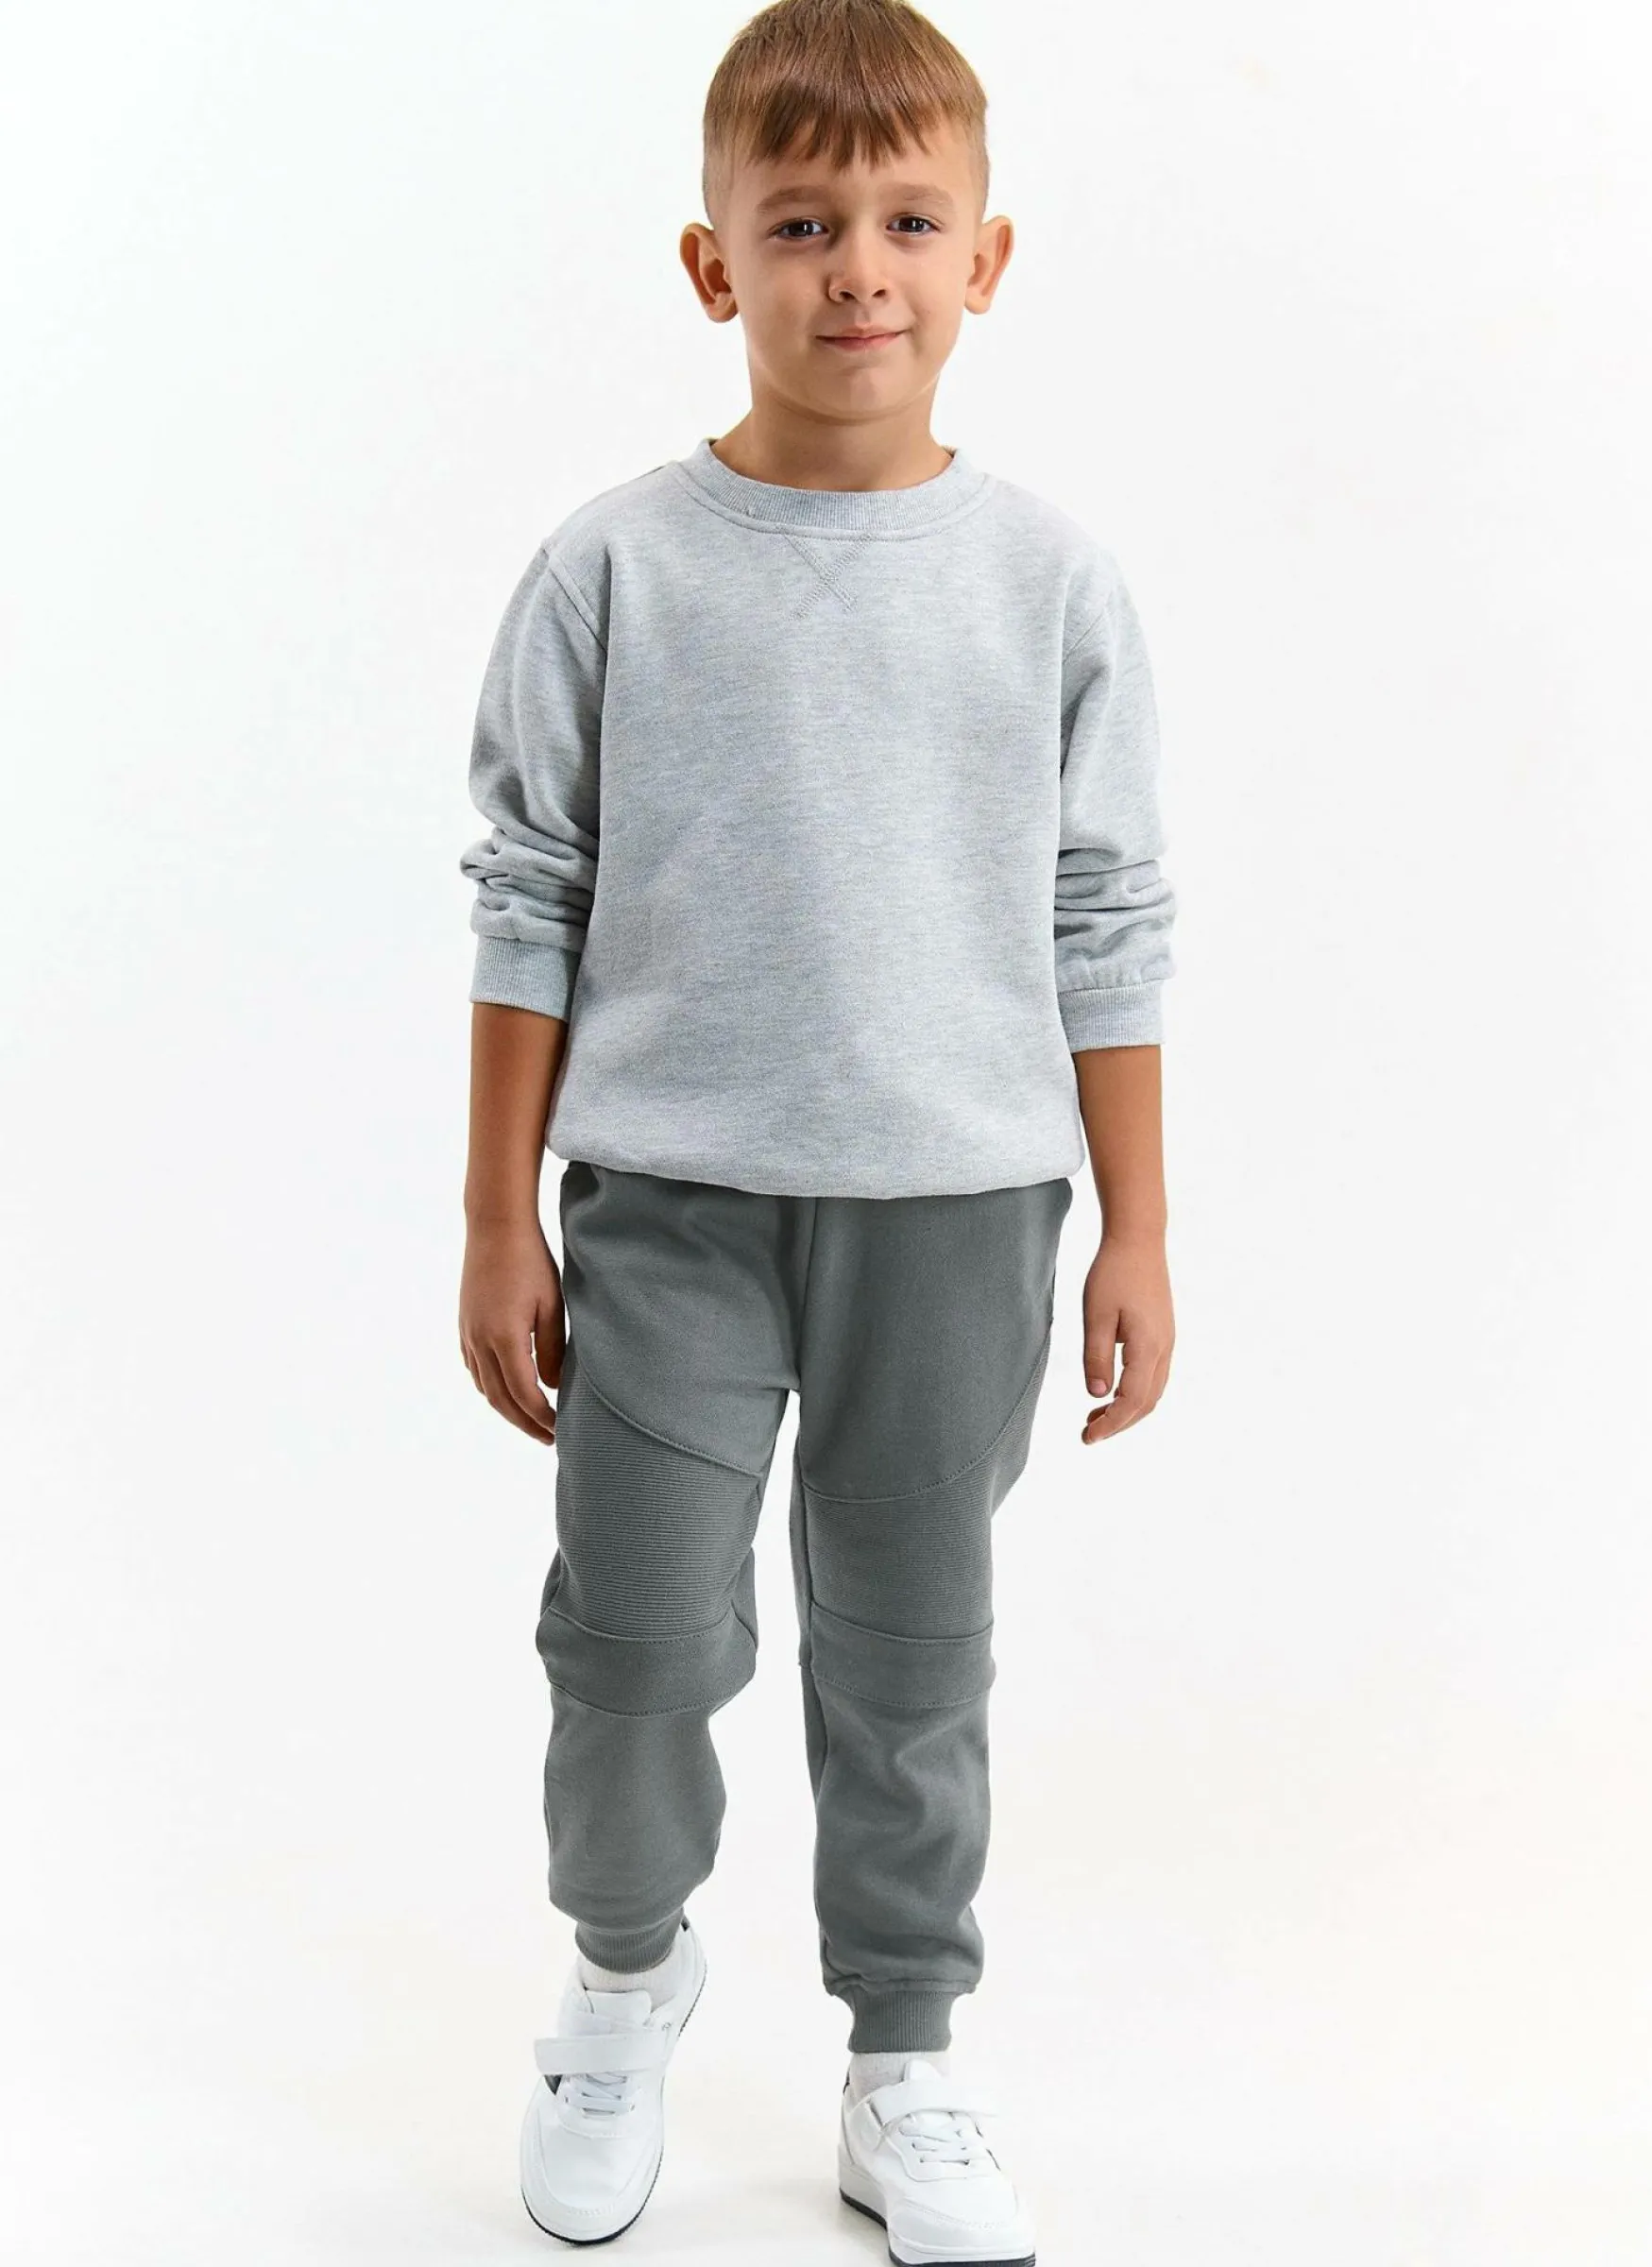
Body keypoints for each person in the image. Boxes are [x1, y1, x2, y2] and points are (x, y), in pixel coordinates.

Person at [456, 2, 1177, 2256]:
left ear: (987, 259)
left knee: (908, 1657)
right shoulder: (615, 568)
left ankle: (906, 2058)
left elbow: (1107, 913)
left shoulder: (1050, 583)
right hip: (670, 1204)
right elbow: (529, 889)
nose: (857, 266)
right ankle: (620, 1981)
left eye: (907, 221)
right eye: (798, 224)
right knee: (636, 1637)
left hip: (956, 1212)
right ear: (713, 264)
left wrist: (1138, 1229)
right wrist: (498, 1218)